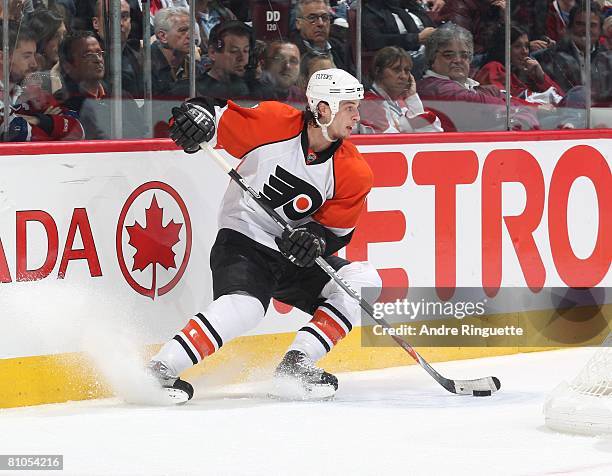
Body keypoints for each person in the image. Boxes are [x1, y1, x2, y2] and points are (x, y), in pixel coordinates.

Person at [148, 68, 382, 402]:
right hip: (244, 239)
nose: (357, 116)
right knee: (246, 308)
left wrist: (314, 240)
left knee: (363, 280)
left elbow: (335, 232)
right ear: (324, 108)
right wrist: (195, 117)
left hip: (291, 257)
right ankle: (160, 369)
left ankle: (298, 364)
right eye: (349, 107)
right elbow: (213, 114)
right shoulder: (274, 123)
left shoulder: (354, 170)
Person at [416, 23, 540, 131]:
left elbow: (516, 105)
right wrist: (524, 112)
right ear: (432, 58)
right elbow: (481, 105)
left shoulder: (479, 88)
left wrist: (541, 80)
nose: (458, 60)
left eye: (464, 55)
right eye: (449, 55)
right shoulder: (432, 87)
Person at [0, 23, 83, 142]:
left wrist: (40, 120)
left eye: (34, 55)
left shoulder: (31, 94)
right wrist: (52, 126)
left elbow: (77, 129)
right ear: (2, 57)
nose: (34, 63)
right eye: (27, 56)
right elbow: (18, 133)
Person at [55, 30, 142, 139]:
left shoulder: (122, 97)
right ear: (68, 66)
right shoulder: (63, 103)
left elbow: (142, 136)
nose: (98, 59)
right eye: (88, 55)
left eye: (99, 53)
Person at [533, 1, 612, 106]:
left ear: (600, 30)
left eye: (592, 25)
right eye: (580, 24)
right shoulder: (545, 58)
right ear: (569, 27)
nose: (586, 30)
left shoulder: (608, 60)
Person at [359, 46, 443, 133]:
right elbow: (391, 142)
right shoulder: (369, 103)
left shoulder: (398, 102)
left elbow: (432, 131)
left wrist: (412, 97)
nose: (403, 76)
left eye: (406, 71)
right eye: (396, 70)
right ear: (378, 71)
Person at [475, 25, 565, 100]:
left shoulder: (522, 73)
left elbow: (561, 99)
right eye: (517, 46)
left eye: (526, 46)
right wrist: (538, 107)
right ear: (503, 49)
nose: (525, 51)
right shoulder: (493, 68)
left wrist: (541, 77)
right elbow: (504, 103)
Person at [92, 0, 143, 97]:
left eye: (124, 17)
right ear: (96, 23)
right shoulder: (87, 59)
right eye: (111, 17)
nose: (120, 23)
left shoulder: (140, 56)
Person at [292, 0, 352, 73]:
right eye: (312, 18)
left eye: (324, 17)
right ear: (298, 23)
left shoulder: (340, 47)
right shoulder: (293, 53)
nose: (321, 23)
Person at [260, 40, 306, 105]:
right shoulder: (249, 94)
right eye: (279, 59)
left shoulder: (303, 98)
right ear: (263, 64)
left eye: (293, 61)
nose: (287, 66)